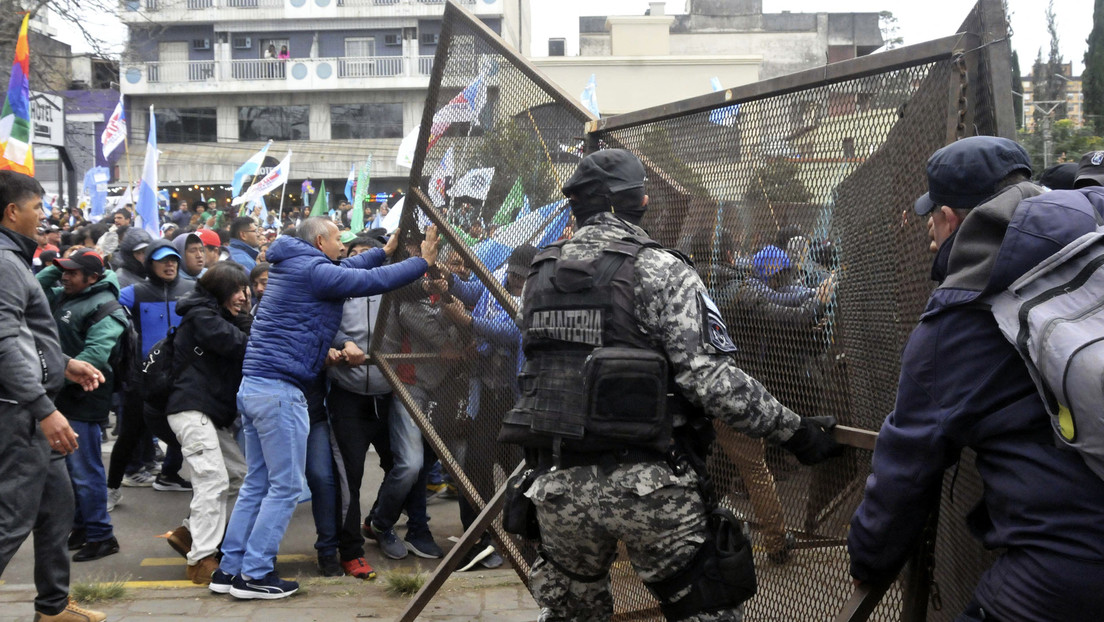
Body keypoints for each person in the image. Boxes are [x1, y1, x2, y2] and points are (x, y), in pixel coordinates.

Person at [500, 149, 842, 621]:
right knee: (705, 610)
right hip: (649, 483)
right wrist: (795, 431)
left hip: (557, 488)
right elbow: (711, 380)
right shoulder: (658, 269)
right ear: (633, 203)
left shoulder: (539, 274)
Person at [848, 136, 1104, 621]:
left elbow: (907, 460)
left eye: (931, 215)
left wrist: (868, 556)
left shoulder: (961, 311)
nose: (927, 227)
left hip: (1067, 568)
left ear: (949, 218)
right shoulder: (1089, 239)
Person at [211, 218, 438, 600]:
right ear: (319, 241)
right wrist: (423, 262)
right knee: (283, 488)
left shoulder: (299, 264)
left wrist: (383, 253)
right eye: (337, 239)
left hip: (257, 387)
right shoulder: (313, 270)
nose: (342, 245)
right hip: (280, 391)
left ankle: (229, 568)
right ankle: (254, 574)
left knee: (258, 484)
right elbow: (368, 283)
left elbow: (348, 269)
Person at [0, 170, 108, 622]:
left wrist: (64, 363)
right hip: (21, 413)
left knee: (57, 510)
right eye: (36, 208)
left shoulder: (15, 259)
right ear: (12, 212)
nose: (42, 217)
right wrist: (44, 409)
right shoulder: (4, 262)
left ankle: (53, 608)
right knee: (11, 521)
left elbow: (26, 335)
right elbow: (4, 340)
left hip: (35, 410)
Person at [36, 249, 127, 563]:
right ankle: (82, 526)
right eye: (64, 272)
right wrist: (60, 263)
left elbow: (95, 358)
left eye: (73, 273)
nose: (64, 277)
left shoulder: (107, 309)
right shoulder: (66, 295)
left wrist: (52, 376)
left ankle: (102, 535)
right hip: (60, 396)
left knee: (84, 470)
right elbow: (36, 285)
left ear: (93, 277)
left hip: (85, 399)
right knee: (68, 471)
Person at [165, 262, 252, 585]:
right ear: (219, 292)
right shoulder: (203, 317)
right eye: (237, 290)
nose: (244, 297)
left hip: (210, 413)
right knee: (212, 480)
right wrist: (247, 321)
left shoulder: (216, 314)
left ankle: (188, 534)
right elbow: (240, 345)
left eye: (245, 289)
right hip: (191, 409)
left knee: (239, 477)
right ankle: (201, 560)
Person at [107, 240, 195, 507]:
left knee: (187, 433)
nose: (170, 265)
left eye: (173, 260)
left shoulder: (192, 290)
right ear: (150, 264)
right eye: (162, 260)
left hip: (182, 376)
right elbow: (104, 304)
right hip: (143, 378)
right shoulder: (135, 292)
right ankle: (111, 489)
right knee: (129, 434)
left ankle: (169, 474)